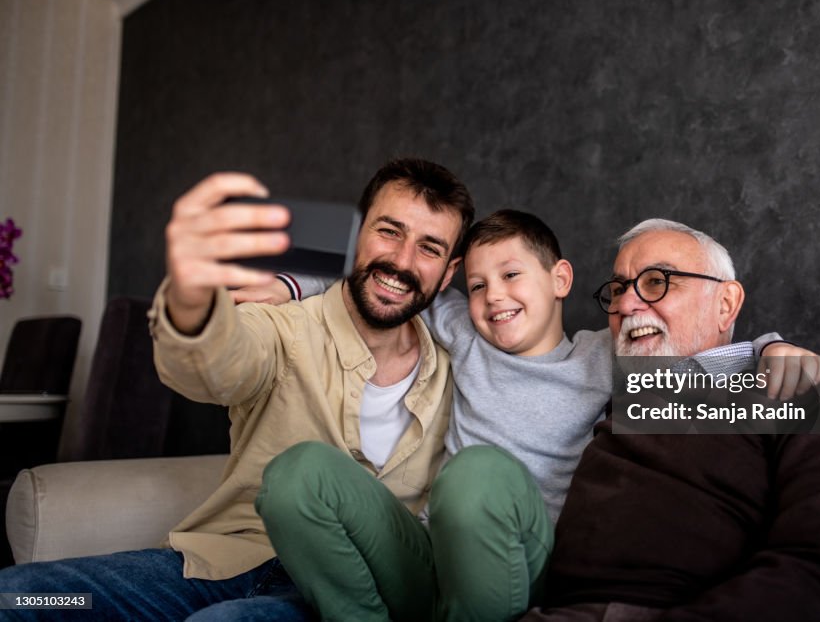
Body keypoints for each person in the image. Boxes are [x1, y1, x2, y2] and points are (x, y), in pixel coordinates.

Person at [252, 210, 820, 622]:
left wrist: (774, 345)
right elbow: (391, 283)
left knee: (478, 472)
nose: (493, 297)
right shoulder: (463, 332)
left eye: (510, 276)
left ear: (560, 280)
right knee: (297, 474)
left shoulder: (606, 353)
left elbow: (704, 352)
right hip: (430, 554)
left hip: (518, 561)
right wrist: (287, 282)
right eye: (476, 285)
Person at [0, 157, 474, 621]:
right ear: (357, 237)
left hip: (341, 590)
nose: (401, 260)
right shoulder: (282, 326)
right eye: (388, 231)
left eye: (429, 248)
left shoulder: (461, 375)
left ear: (449, 272)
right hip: (226, 562)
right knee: (18, 598)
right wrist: (192, 300)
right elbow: (218, 365)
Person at [519, 219, 820, 622]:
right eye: (619, 288)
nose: (625, 305)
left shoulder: (809, 395)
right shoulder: (606, 395)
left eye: (657, 281)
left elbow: (819, 574)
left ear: (725, 305)